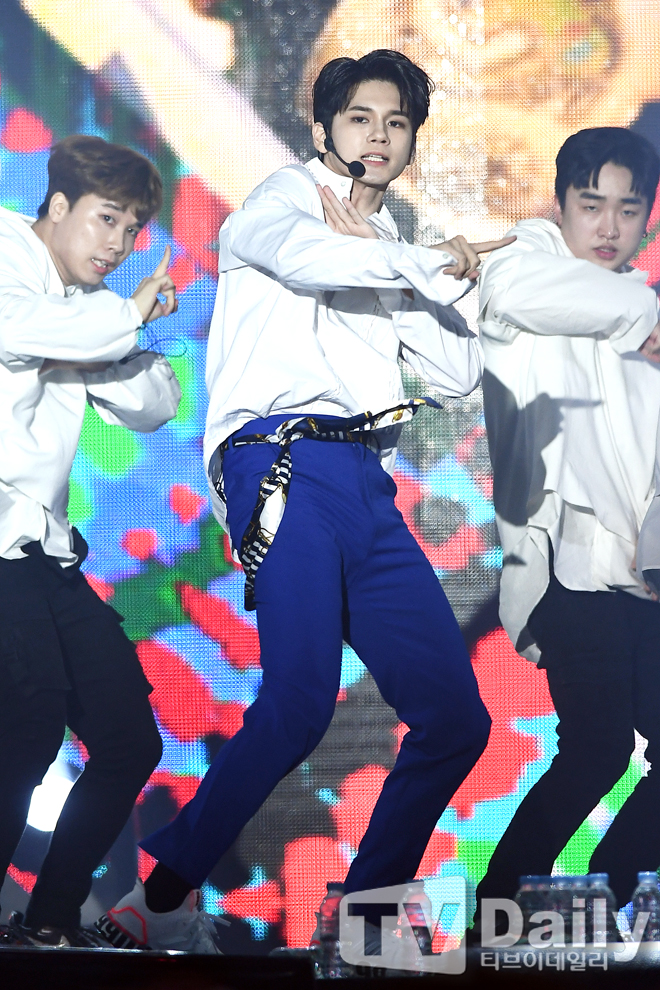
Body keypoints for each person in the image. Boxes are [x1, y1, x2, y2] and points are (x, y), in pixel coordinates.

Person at [98, 49, 510, 954]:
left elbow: (456, 371)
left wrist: (425, 272)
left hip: (366, 483)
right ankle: (158, 894)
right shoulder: (281, 199)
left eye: (397, 123)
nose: (380, 135)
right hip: (283, 464)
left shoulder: (385, 238)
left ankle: (363, 916)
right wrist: (407, 260)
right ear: (323, 130)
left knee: (457, 718)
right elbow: (299, 252)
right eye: (360, 118)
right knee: (300, 698)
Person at [474, 126, 660, 925]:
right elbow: (508, 289)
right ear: (560, 206)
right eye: (591, 205)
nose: (609, 226)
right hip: (567, 567)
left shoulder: (642, 313)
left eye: (628, 209)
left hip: (642, 575)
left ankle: (615, 883)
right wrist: (644, 311)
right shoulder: (529, 268)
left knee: (605, 750)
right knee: (596, 748)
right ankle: (498, 907)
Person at [0, 134, 180, 947]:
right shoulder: (7, 253)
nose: (119, 244)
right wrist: (123, 316)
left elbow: (154, 405)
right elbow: (23, 328)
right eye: (108, 220)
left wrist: (118, 324)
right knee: (29, 726)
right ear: (59, 204)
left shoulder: (87, 308)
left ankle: (48, 921)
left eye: (133, 229)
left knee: (128, 739)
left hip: (44, 550)